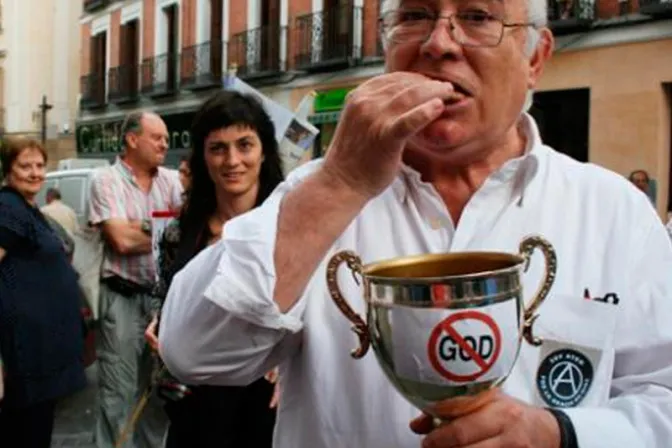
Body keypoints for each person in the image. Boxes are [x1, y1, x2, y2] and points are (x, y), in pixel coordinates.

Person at [159, 0, 672, 447]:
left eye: (477, 16)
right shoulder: (319, 192)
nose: (438, 43)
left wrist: (562, 434)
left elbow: (662, 397)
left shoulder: (613, 212)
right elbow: (193, 352)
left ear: (535, 57)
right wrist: (339, 182)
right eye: (414, 16)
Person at [145, 90, 283, 447]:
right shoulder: (181, 232)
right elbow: (169, 298)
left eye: (244, 145)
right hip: (197, 402)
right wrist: (160, 325)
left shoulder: (289, 226)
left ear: (264, 150)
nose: (232, 160)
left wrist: (290, 362)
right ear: (203, 157)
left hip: (267, 401)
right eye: (218, 148)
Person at [89, 112, 182, 448]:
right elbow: (121, 241)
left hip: (162, 302)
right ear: (132, 139)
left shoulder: (173, 180)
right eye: (157, 137)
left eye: (166, 138)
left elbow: (185, 236)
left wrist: (141, 227)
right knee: (117, 392)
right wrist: (162, 231)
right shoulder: (105, 180)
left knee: (158, 393)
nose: (165, 144)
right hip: (122, 298)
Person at [0, 138, 86, 447]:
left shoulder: (26, 207)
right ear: (8, 170)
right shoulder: (8, 208)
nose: (35, 173)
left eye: (39, 165)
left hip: (40, 354)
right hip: (25, 355)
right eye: (25, 166)